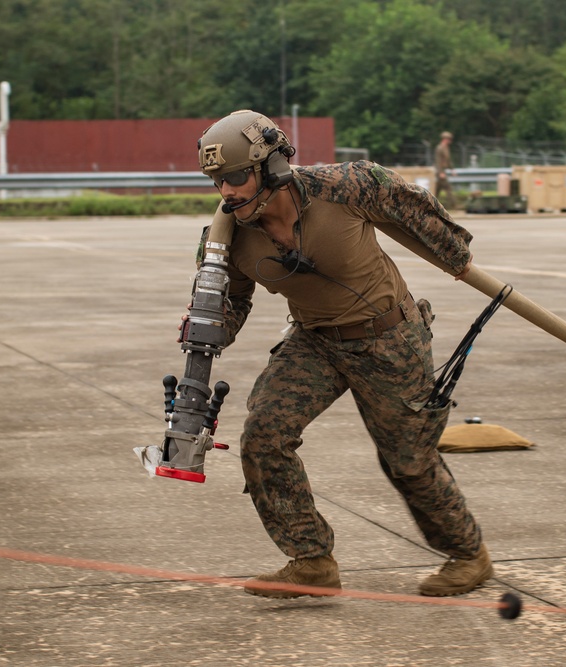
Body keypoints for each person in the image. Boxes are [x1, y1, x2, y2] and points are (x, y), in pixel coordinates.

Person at [193, 110, 492, 599]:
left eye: (234, 177)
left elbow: (413, 207)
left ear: (270, 167)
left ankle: (469, 555)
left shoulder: (347, 186)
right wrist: (207, 334)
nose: (225, 192)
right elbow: (229, 304)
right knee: (264, 436)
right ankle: (311, 561)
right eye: (215, 182)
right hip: (314, 341)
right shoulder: (226, 236)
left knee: (407, 461)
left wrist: (454, 254)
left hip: (389, 338)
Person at [434, 131, 458, 208]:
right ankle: (454, 205)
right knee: (448, 188)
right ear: (444, 139)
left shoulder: (446, 148)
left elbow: (448, 160)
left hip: (443, 170)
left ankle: (432, 204)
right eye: (449, 139)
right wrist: (440, 172)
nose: (450, 141)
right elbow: (438, 161)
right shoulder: (439, 148)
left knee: (437, 190)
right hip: (440, 171)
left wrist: (452, 169)